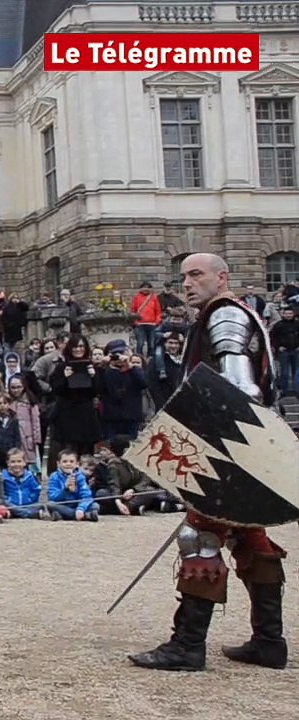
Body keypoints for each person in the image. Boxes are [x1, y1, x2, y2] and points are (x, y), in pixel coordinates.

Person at [129, 253, 287, 672]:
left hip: (231, 450)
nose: (187, 283)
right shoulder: (226, 314)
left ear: (222, 277)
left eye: (196, 275)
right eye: (183, 277)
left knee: (200, 538)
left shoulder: (223, 316)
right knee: (253, 540)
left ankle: (187, 645)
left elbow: (241, 389)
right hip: (246, 451)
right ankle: (269, 642)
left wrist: (218, 454)